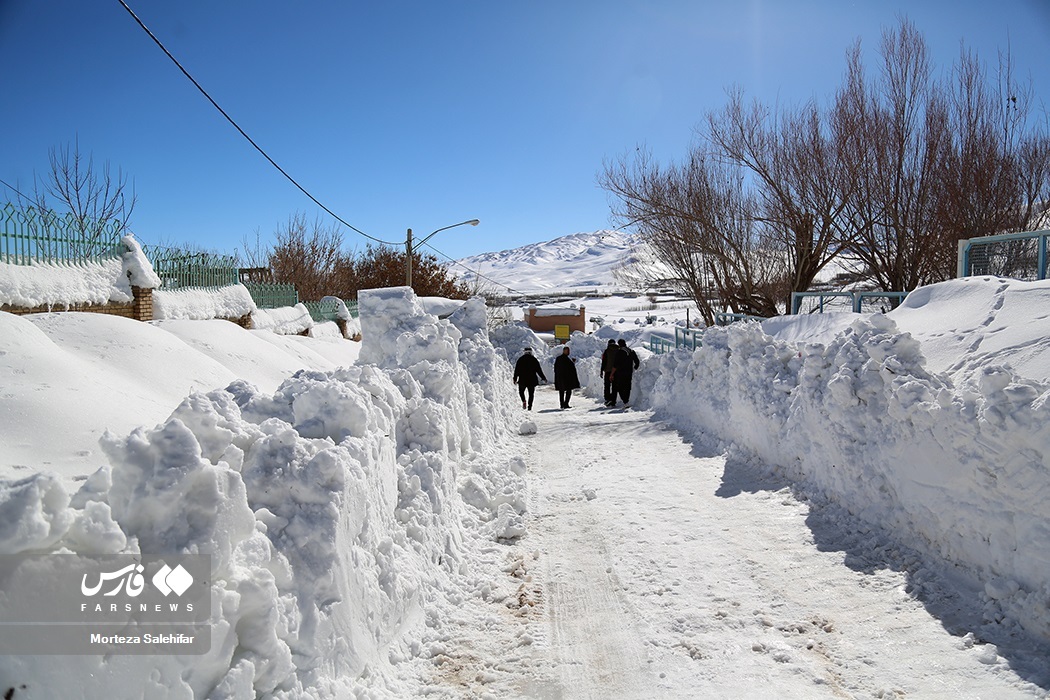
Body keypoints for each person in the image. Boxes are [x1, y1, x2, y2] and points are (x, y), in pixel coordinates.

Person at [611, 338, 640, 407]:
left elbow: (615, 364)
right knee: (627, 386)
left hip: (620, 372)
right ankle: (626, 401)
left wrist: (612, 374)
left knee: (620, 387)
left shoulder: (619, 352)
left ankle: (624, 400)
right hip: (629, 372)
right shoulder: (631, 351)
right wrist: (635, 368)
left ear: (619, 344)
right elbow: (637, 361)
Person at [599, 339, 618, 407]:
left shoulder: (607, 351)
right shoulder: (618, 350)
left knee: (607, 386)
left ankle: (608, 399)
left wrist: (601, 370)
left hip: (608, 371)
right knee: (614, 386)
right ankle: (613, 401)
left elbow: (604, 361)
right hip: (616, 371)